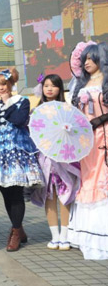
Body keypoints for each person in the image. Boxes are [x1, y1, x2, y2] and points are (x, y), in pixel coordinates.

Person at [0, 68, 44, 252]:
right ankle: (19, 228)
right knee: (5, 193)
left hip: (17, 151)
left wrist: (7, 104)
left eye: (4, 84)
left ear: (10, 84)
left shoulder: (22, 101)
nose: (1, 88)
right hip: (0, 154)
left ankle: (15, 232)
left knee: (16, 194)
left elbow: (18, 120)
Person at [30, 74, 80, 251]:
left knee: (65, 196)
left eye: (53, 86)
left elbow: (75, 133)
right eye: (46, 86)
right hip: (44, 159)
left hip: (64, 160)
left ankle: (65, 236)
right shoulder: (36, 111)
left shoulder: (68, 109)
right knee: (48, 197)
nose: (49, 89)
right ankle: (55, 236)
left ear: (60, 88)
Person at [68, 42, 108, 259]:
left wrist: (97, 121)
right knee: (88, 178)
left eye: (92, 58)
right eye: (85, 59)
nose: (87, 62)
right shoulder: (81, 83)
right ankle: (89, 235)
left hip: (105, 135)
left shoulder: (106, 80)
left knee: (103, 178)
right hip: (87, 140)